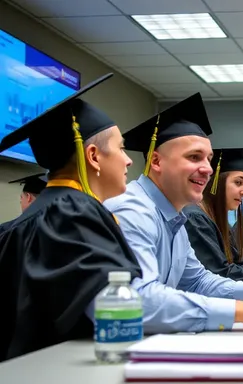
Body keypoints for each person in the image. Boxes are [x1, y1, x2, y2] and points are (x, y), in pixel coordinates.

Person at [105, 93, 243, 334]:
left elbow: (197, 280)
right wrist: (242, 312)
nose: (207, 169)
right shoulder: (131, 210)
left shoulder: (174, 216)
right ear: (157, 162)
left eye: (209, 160)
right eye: (194, 157)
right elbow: (138, 298)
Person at [0, 74, 142, 362]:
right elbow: (111, 307)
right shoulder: (72, 213)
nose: (128, 160)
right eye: (121, 148)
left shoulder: (44, 213)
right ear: (93, 156)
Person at [183, 147, 243, 284]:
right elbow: (221, 272)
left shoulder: (217, 221)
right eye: (238, 182)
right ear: (216, 182)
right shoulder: (195, 218)